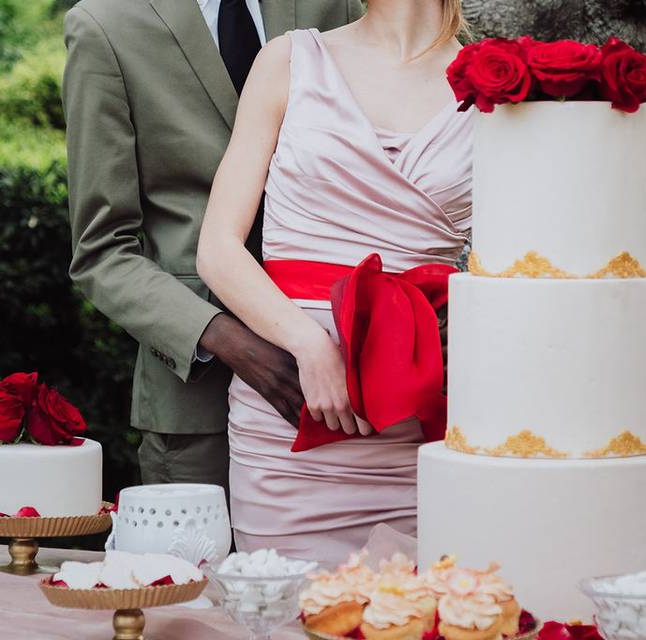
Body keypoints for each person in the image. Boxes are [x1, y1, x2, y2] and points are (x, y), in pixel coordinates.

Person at [196, 0, 473, 562]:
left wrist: (466, 325)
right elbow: (218, 250)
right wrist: (308, 344)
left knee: (419, 612)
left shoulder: (494, 86)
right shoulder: (289, 60)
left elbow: (523, 268)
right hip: (292, 419)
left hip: (420, 424)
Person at [62, 0, 362, 492]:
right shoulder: (105, 24)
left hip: (349, 369)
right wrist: (232, 344)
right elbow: (102, 251)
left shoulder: (335, 4)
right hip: (198, 399)